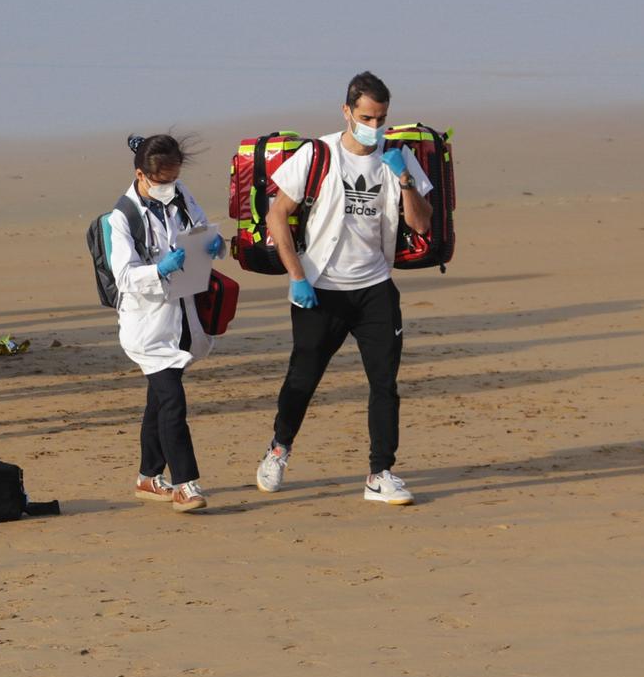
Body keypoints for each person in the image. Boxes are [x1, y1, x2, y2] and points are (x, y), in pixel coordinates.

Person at [255, 71, 434, 506]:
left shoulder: (398, 155)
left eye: (382, 118)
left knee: (384, 383)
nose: (375, 126)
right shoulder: (318, 153)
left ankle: (380, 472)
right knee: (304, 376)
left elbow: (421, 222)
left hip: (375, 288)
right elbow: (277, 215)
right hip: (320, 289)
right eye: (367, 116)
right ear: (347, 111)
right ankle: (279, 448)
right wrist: (297, 277)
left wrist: (405, 180)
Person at [104, 135, 225, 514]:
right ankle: (186, 485)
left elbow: (200, 226)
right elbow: (124, 276)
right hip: (146, 325)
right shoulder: (120, 218)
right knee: (172, 400)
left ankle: (148, 477)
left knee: (159, 400)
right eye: (162, 179)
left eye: (174, 177)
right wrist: (160, 269)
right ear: (142, 175)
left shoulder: (180, 194)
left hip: (181, 316)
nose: (169, 186)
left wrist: (213, 242)